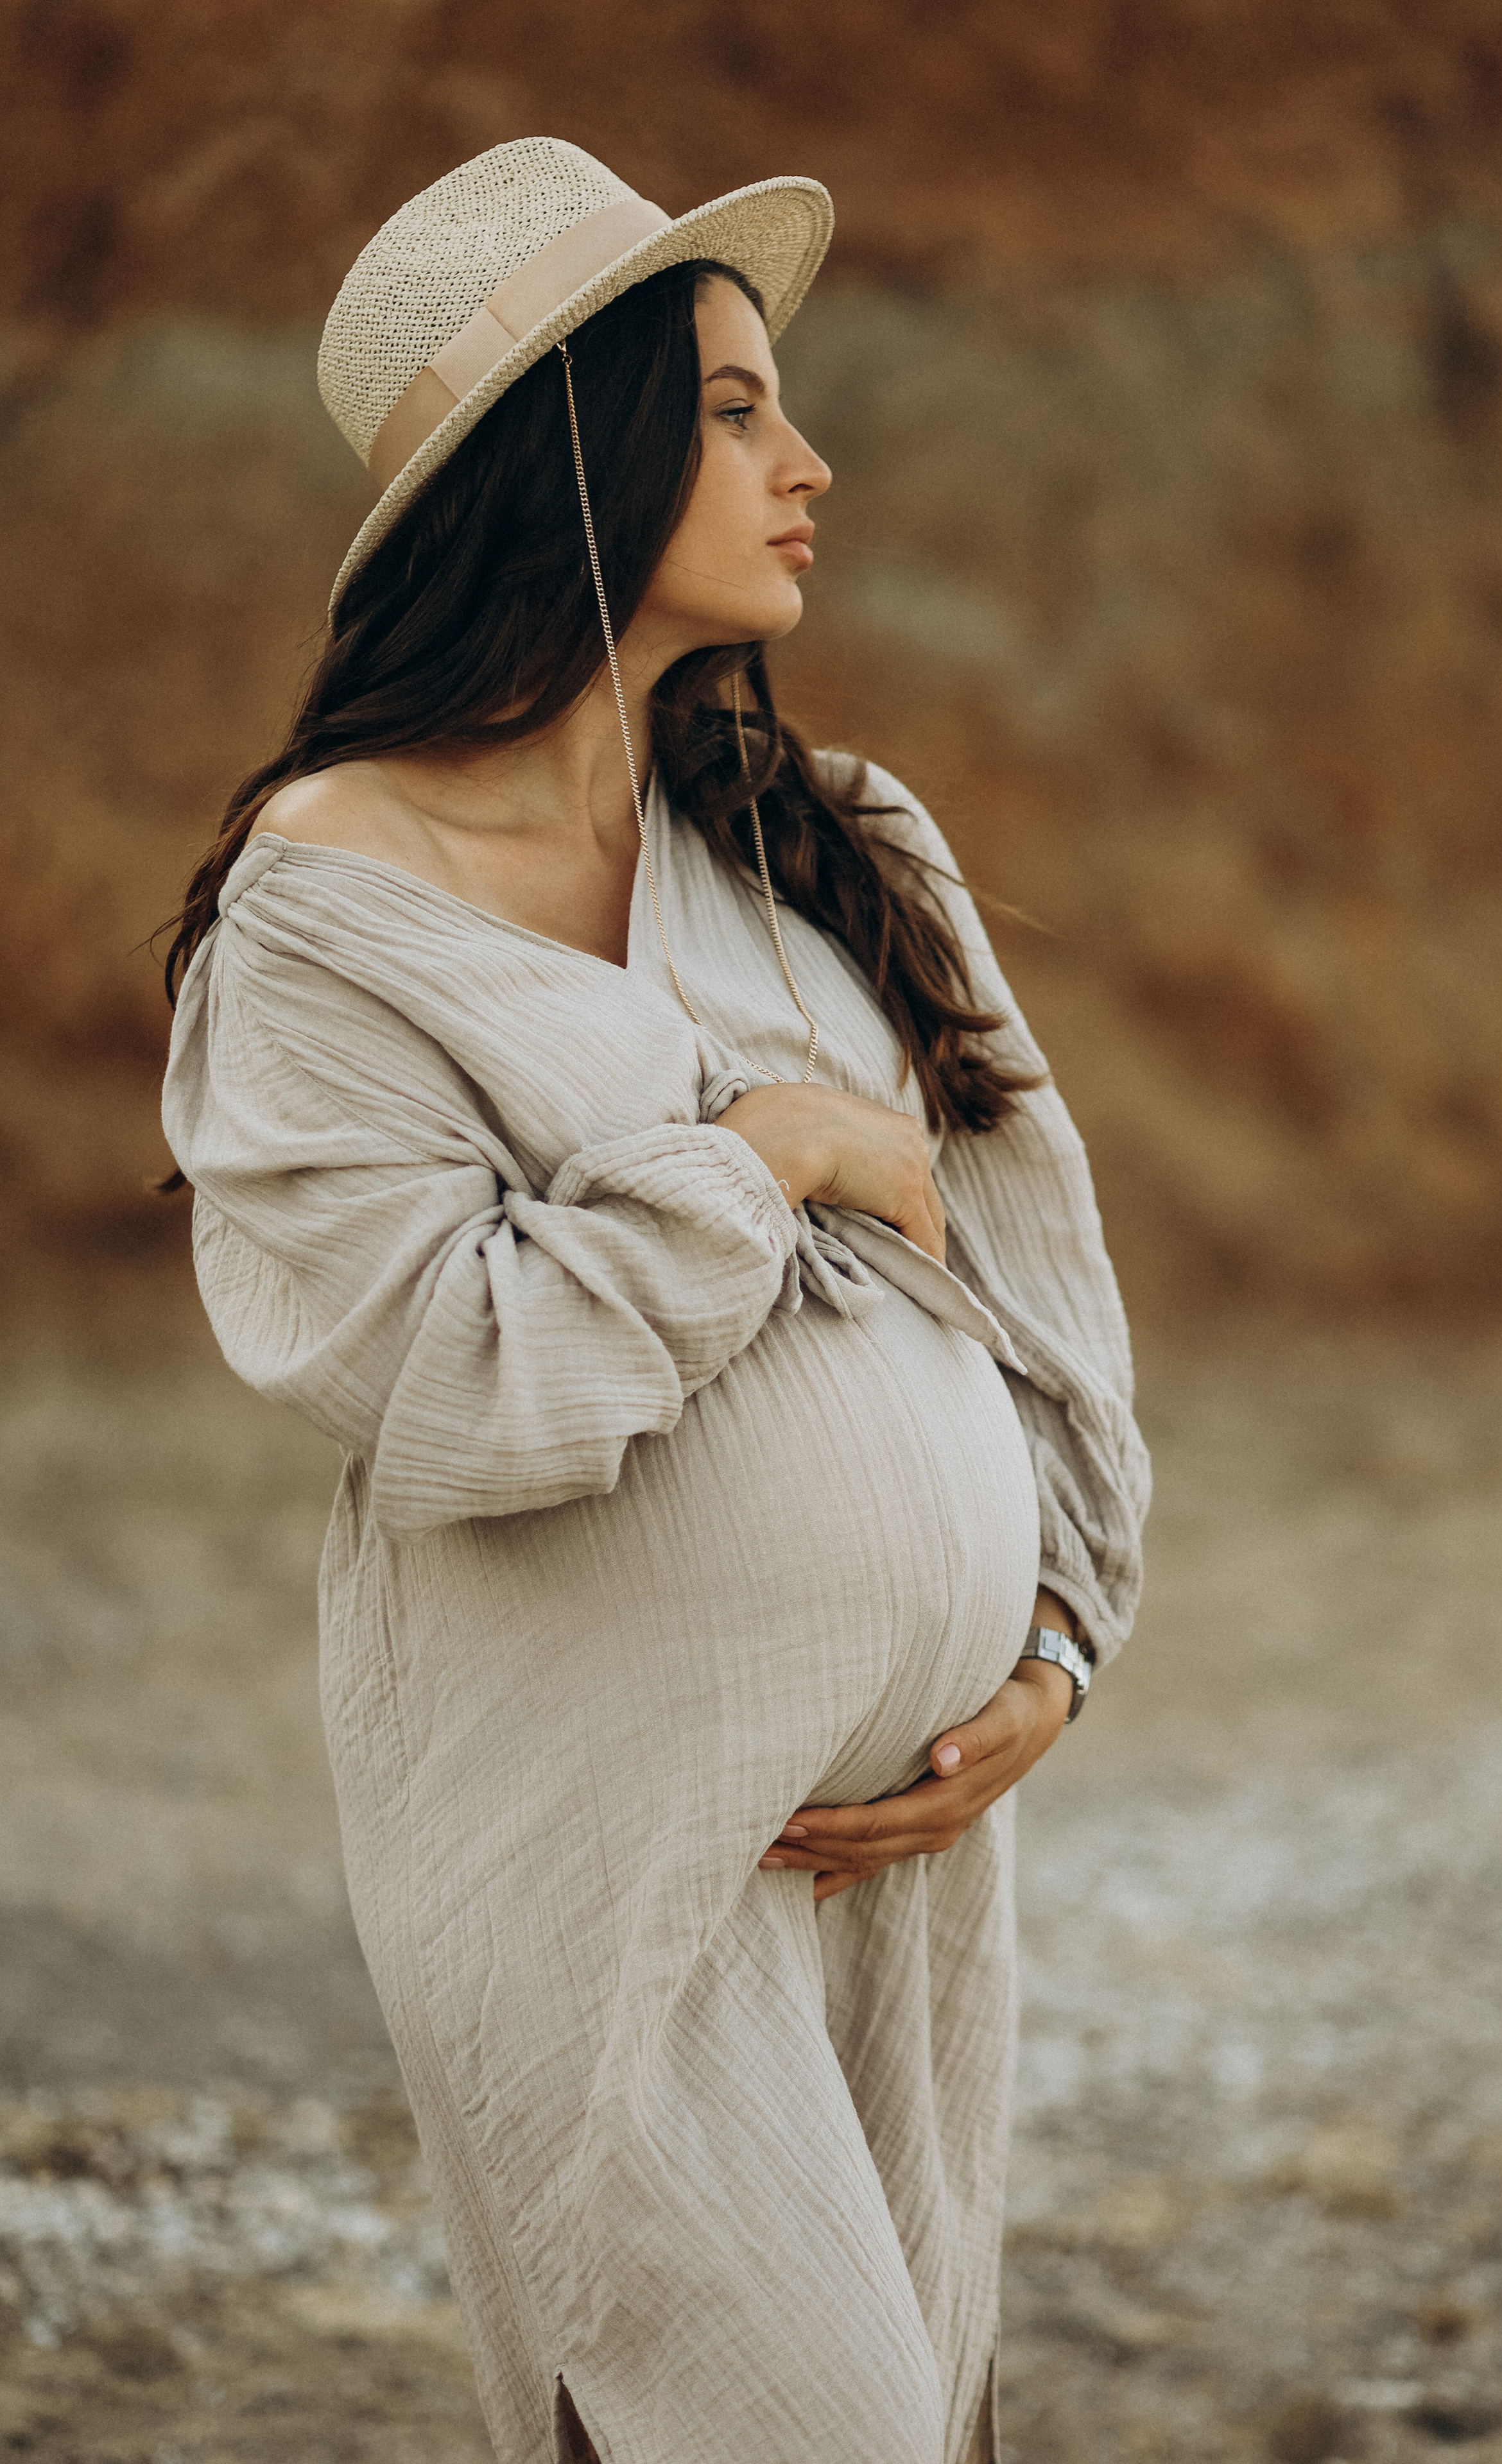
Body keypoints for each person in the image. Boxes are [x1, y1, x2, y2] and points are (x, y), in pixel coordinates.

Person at [160, 138, 1150, 2464]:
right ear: (573, 458)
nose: (810, 464)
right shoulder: (326, 919)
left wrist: (1057, 1647)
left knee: (917, 2413)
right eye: (730, 409)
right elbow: (453, 1378)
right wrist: (761, 1156)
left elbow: (1046, 1289)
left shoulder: (838, 844)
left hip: (910, 1857)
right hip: (602, 1863)